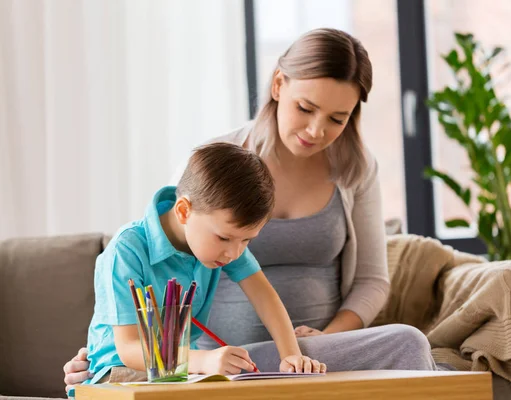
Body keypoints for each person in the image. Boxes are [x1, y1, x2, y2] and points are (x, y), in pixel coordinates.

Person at [64, 28, 437, 393]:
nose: (316, 130)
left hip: (298, 352)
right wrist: (110, 357)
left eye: (337, 119)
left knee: (408, 345)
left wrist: (298, 350)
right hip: (210, 363)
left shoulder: (354, 170)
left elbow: (351, 282)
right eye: (305, 107)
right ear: (278, 85)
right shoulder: (206, 171)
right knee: (409, 345)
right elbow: (131, 336)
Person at [84, 143, 325, 385]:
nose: (234, 252)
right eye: (224, 238)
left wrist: (291, 355)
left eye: (247, 240)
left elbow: (265, 296)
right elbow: (129, 348)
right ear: (183, 211)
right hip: (118, 373)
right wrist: (203, 361)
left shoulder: (224, 243)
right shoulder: (127, 249)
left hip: (180, 374)